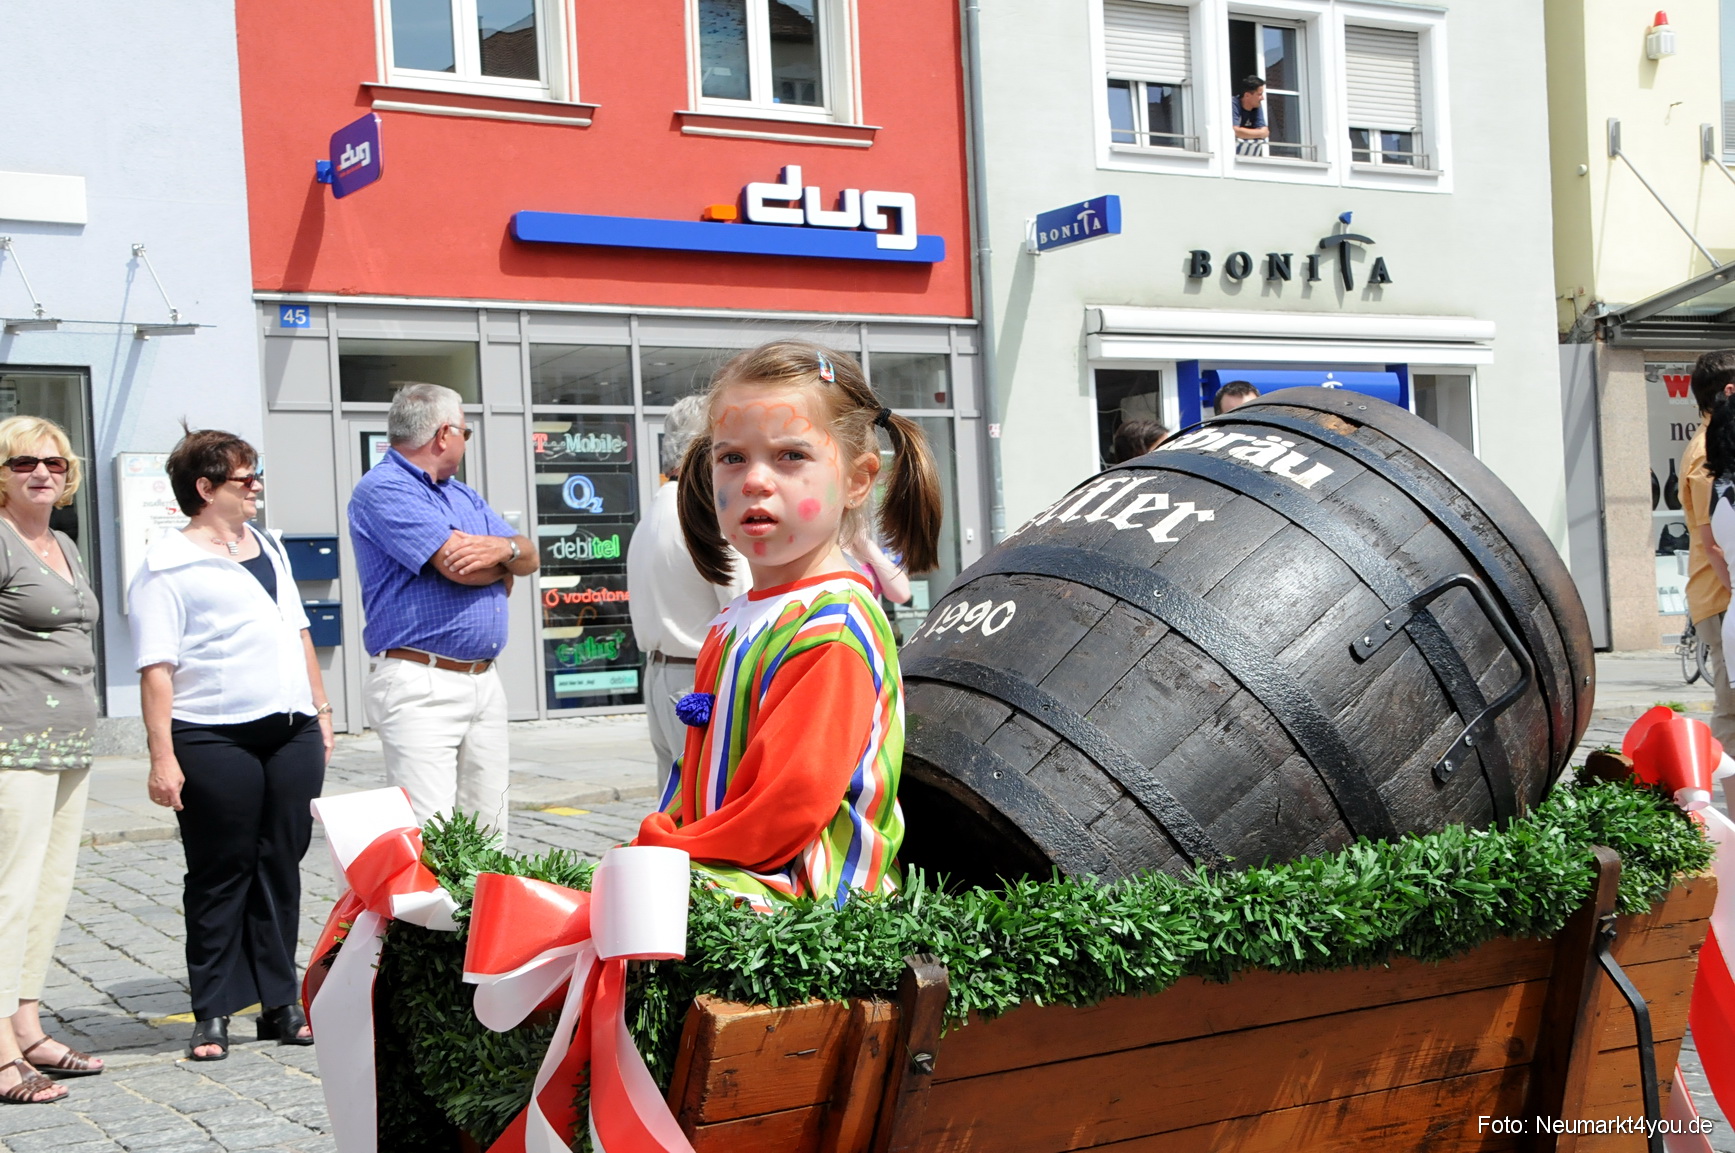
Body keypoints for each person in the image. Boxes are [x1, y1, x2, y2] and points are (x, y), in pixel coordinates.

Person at [633, 340, 943, 910]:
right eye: (732, 457)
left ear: (857, 479)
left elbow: (788, 804)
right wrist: (664, 838)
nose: (755, 480)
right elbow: (694, 769)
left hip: (807, 902)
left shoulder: (833, 625)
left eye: (790, 457)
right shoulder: (733, 620)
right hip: (728, 863)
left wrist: (671, 853)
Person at [128, 428, 334, 1061]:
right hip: (211, 732)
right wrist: (162, 756)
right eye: (246, 479)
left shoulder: (267, 544)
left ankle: (280, 1003)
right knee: (222, 870)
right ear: (205, 488)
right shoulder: (166, 566)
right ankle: (212, 1008)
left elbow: (299, 631)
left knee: (281, 864)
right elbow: (156, 670)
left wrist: (321, 711)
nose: (257, 488)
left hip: (290, 726)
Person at [347, 383, 537, 833]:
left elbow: (528, 555)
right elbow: (461, 568)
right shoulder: (383, 488)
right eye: (466, 433)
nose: (466, 443)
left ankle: (478, 908)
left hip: (482, 679)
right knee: (432, 833)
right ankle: (428, 909)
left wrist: (504, 550)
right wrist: (503, 562)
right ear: (444, 434)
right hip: (421, 682)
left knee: (489, 827)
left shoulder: (461, 495)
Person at [0, 417, 102, 1103]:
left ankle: (28, 1023)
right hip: (12, 742)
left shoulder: (62, 542)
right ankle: (1, 1049)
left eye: (56, 462)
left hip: (71, 743)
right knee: (7, 893)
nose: (43, 472)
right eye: (24, 462)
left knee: (49, 889)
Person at [627, 396, 749, 792]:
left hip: (663, 671)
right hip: (698, 675)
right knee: (706, 797)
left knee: (674, 798)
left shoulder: (655, 511)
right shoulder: (701, 514)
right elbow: (744, 608)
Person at [1685, 350, 1735, 746]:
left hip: (1721, 595)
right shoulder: (1706, 455)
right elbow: (1714, 542)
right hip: (1722, 597)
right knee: (1730, 709)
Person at [1232, 75, 1269, 156]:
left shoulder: (1256, 106)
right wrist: (1258, 133)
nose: (1262, 98)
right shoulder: (1233, 104)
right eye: (1259, 94)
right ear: (1247, 95)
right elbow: (1234, 131)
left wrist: (1242, 133)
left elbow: (1265, 132)